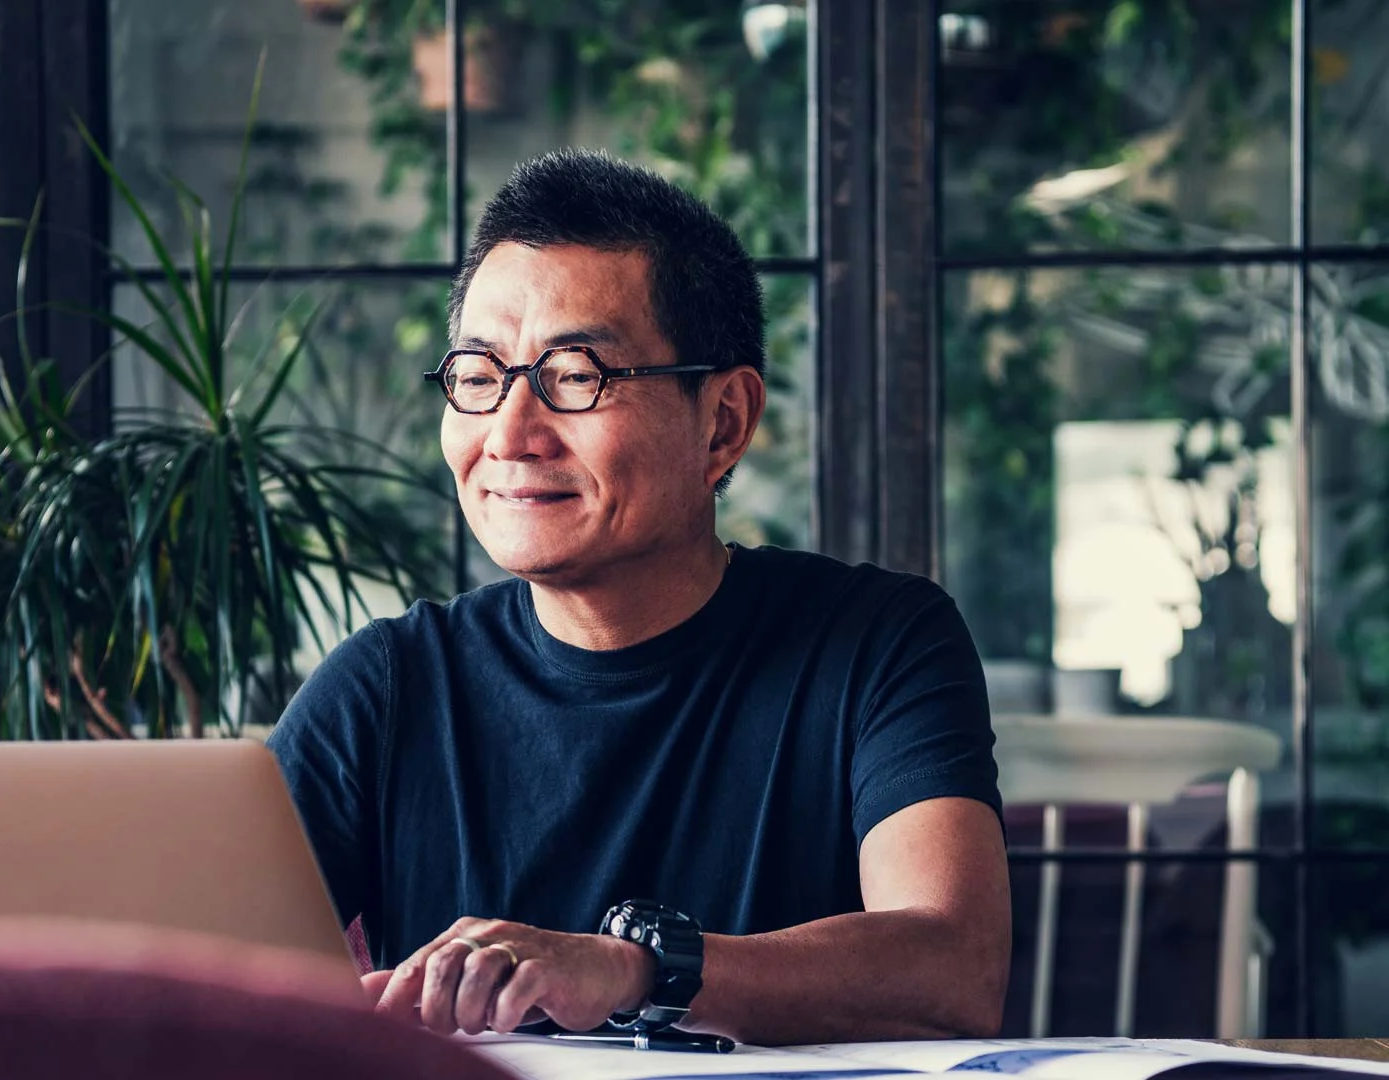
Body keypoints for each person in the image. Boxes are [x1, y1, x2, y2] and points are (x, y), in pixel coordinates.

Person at [265, 149, 1009, 1046]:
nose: (509, 433)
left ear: (723, 422)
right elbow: (187, 983)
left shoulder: (875, 643)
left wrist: (630, 968)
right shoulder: (383, 690)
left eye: (576, 375)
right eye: (477, 375)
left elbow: (950, 970)